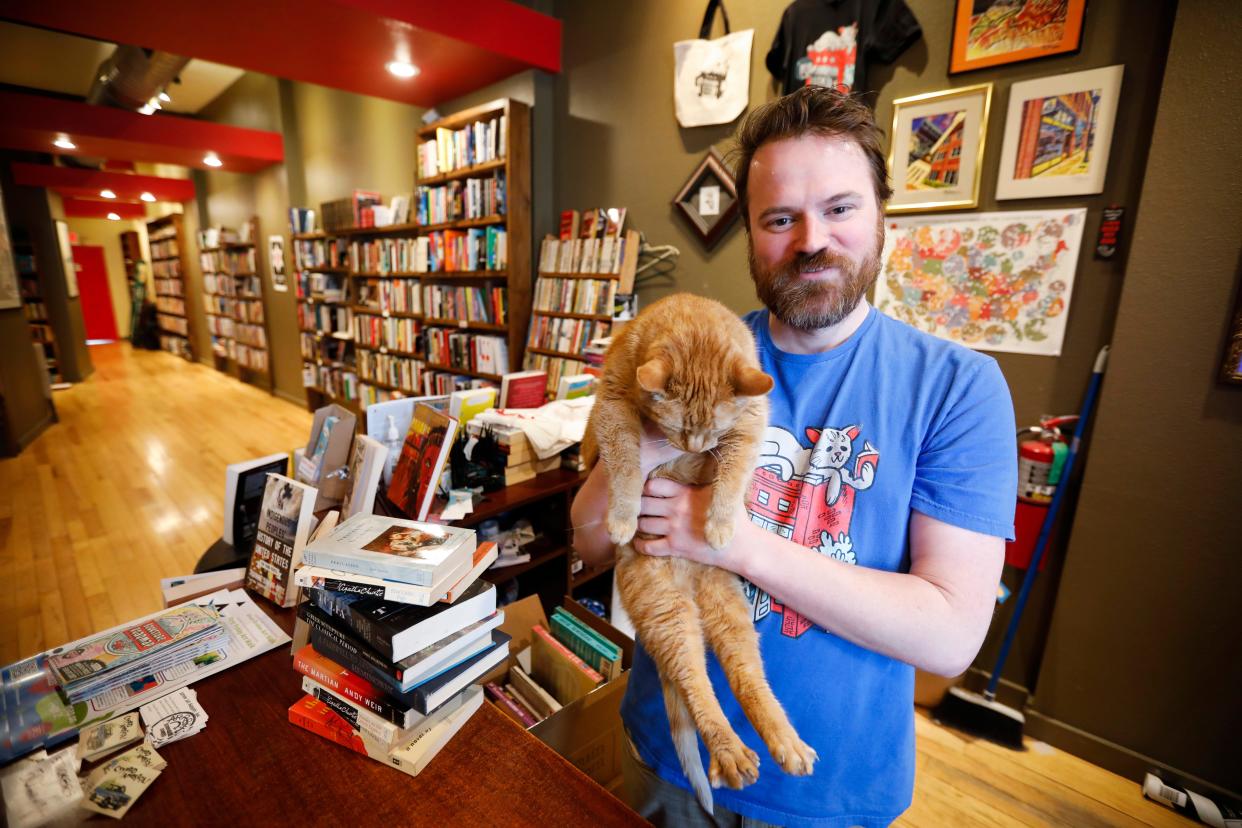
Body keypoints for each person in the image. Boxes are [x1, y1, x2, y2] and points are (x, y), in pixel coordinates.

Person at [570, 86, 1017, 828]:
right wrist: (640, 438)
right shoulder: (697, 355)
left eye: (840, 208)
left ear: (882, 218)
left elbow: (949, 636)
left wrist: (733, 540)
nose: (812, 239)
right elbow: (587, 541)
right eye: (781, 218)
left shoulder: (956, 387)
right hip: (664, 755)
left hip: (826, 796)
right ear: (751, 231)